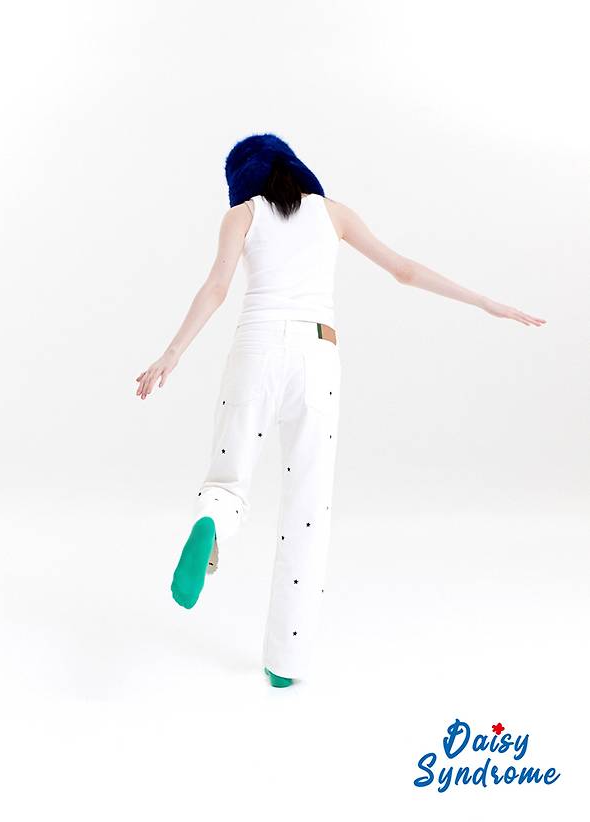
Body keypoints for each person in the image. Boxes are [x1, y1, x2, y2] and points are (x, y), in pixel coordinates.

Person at [135, 133, 546, 688]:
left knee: (229, 476)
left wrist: (171, 354)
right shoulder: (333, 213)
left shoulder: (241, 216)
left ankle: (212, 522)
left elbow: (216, 289)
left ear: (242, 181)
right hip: (318, 356)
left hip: (256, 349)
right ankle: (284, 664)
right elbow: (404, 270)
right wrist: (484, 302)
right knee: (307, 508)